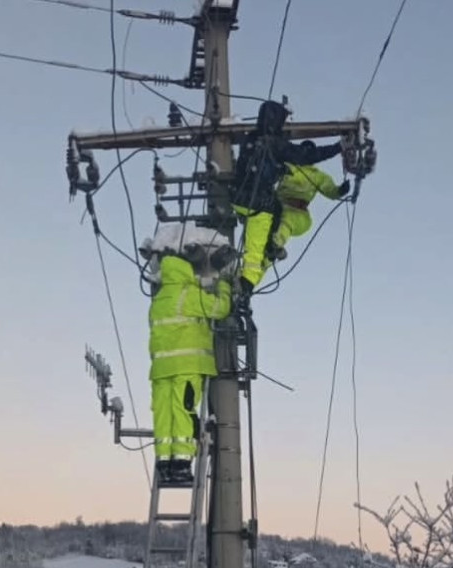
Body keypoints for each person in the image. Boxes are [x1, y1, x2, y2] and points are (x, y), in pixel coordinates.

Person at [232, 100, 346, 291]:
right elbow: (305, 154)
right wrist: (338, 147)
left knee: (276, 218)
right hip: (259, 205)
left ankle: (268, 249)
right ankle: (246, 286)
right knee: (255, 253)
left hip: (241, 198)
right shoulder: (277, 146)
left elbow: (329, 188)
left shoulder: (251, 138)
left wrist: (340, 190)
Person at [148, 244, 233, 484]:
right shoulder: (189, 294)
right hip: (187, 365)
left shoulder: (159, 299)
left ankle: (164, 463)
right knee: (183, 411)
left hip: (159, 370)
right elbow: (221, 308)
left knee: (163, 415)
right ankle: (182, 465)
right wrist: (224, 285)